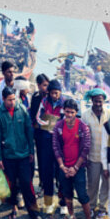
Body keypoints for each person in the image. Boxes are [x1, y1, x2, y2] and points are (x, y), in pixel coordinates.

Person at [0, 87, 47, 219]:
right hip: (8, 155)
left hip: (23, 154)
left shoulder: (22, 109)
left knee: (27, 183)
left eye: (14, 99)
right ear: (3, 99)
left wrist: (31, 151)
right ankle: (13, 209)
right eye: (9, 100)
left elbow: (29, 131)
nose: (12, 102)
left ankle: (34, 213)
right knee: (11, 185)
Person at [52, 98, 94, 219]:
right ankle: (72, 217)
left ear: (76, 112)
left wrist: (75, 168)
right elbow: (56, 147)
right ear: (63, 111)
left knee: (82, 195)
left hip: (78, 167)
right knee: (67, 194)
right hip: (64, 167)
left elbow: (86, 148)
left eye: (72, 112)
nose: (69, 115)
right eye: (67, 112)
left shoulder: (83, 127)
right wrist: (62, 166)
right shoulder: (58, 126)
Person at [34, 78, 65, 209]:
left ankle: (63, 203)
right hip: (46, 140)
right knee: (47, 172)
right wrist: (47, 124)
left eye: (56, 93)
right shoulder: (44, 102)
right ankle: (48, 203)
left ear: (60, 92)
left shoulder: (64, 103)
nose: (54, 95)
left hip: (60, 143)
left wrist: (57, 128)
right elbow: (38, 118)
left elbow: (68, 120)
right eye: (52, 93)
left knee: (61, 172)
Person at [80, 88, 110, 216]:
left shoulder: (109, 114)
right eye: (96, 101)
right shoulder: (85, 115)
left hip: (107, 157)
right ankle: (91, 206)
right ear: (92, 100)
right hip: (92, 156)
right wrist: (84, 157)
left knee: (106, 184)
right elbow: (82, 137)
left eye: (100, 101)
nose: (98, 104)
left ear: (103, 101)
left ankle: (103, 208)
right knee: (92, 183)